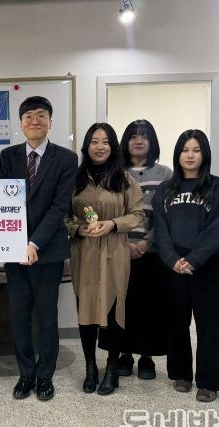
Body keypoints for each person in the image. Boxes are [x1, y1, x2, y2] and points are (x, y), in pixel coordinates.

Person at [0, 96, 77, 401]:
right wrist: (16, 243)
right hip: (13, 249)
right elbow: (5, 201)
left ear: (50, 122)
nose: (34, 121)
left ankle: (45, 376)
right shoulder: (8, 156)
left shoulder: (66, 158)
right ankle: (26, 373)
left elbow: (59, 206)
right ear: (20, 124)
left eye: (41, 115)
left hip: (48, 250)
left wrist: (34, 243)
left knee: (46, 315)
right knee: (19, 315)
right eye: (28, 116)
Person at [65, 123, 143, 395]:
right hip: (84, 253)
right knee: (85, 310)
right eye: (95, 141)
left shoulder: (125, 179)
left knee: (115, 311)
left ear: (113, 147)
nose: (100, 147)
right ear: (86, 146)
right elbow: (64, 217)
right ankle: (90, 367)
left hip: (115, 253)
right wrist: (78, 229)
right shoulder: (75, 179)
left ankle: (111, 368)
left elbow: (138, 214)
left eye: (106, 142)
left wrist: (113, 224)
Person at [152, 129, 219, 403]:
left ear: (204, 154)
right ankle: (181, 374)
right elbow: (160, 228)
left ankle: (208, 382)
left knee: (208, 325)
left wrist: (195, 259)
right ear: (178, 154)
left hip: (206, 264)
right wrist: (172, 260)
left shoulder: (217, 186)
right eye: (185, 150)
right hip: (173, 264)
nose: (190, 155)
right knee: (176, 322)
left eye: (196, 150)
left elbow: (217, 228)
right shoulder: (165, 188)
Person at [116, 119, 173, 380]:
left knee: (151, 305)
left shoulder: (165, 174)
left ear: (153, 142)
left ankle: (147, 357)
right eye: (133, 136)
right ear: (126, 142)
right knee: (124, 304)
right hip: (120, 250)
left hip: (153, 253)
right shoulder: (115, 172)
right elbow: (109, 212)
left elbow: (168, 215)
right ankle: (125, 354)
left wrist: (147, 242)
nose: (139, 141)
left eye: (145, 136)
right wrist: (125, 244)